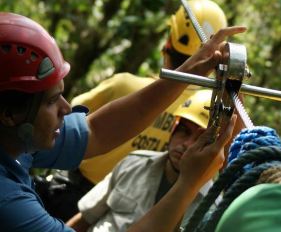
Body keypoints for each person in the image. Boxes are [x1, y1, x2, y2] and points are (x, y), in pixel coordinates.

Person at [0, 12, 243, 231]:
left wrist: (189, 72)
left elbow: (96, 131)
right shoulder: (8, 202)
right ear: (9, 114)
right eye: (52, 101)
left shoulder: (15, 139)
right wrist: (189, 184)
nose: (66, 108)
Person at [67, 90, 217, 231]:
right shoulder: (134, 163)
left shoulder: (212, 209)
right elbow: (85, 218)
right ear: (174, 128)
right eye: (185, 131)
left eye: (200, 141)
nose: (187, 144)